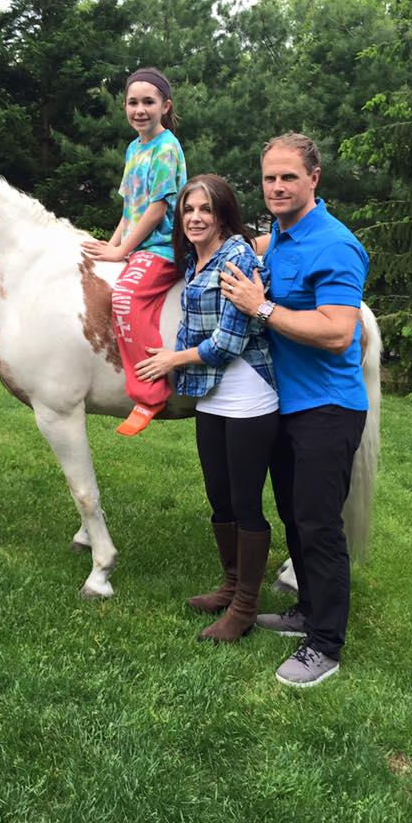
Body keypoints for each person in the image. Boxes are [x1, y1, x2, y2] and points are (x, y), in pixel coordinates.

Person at [221, 132, 369, 687]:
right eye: (269, 178)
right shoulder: (280, 238)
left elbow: (336, 332)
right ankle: (306, 609)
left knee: (318, 524)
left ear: (314, 179)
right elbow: (246, 244)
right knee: (295, 517)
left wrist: (260, 307)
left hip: (328, 409)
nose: (277, 187)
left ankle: (325, 645)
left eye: (289, 177)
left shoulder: (335, 244)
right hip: (286, 407)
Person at [135, 175, 279, 641]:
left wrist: (172, 361)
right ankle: (231, 586)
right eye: (188, 210)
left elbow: (229, 341)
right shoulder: (196, 260)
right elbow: (192, 328)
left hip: (249, 394)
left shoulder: (236, 256)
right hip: (213, 395)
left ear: (222, 214)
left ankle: (245, 608)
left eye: (205, 210)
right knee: (219, 496)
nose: (195, 218)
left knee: (244, 502)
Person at [83, 67, 186, 436]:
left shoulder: (166, 146)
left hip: (164, 247)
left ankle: (151, 393)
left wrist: (123, 250)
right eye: (132, 102)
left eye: (148, 102)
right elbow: (130, 211)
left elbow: (157, 208)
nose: (139, 109)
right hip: (138, 244)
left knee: (125, 296)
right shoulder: (134, 148)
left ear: (164, 106)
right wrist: (110, 248)